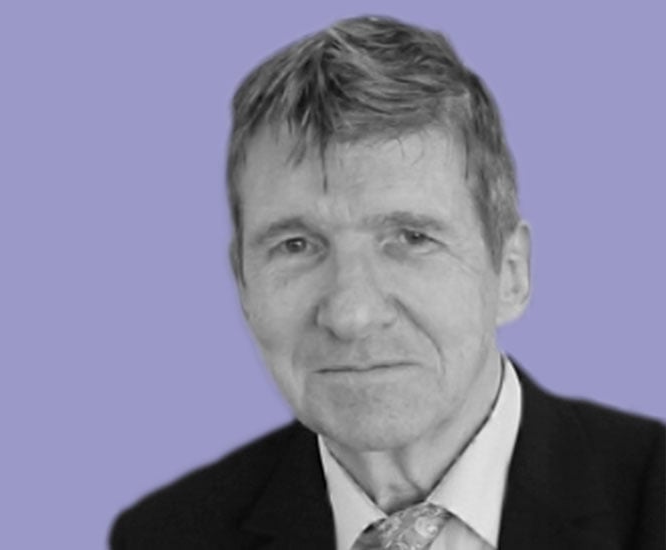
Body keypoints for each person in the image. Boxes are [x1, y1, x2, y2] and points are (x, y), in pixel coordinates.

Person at [109, 15, 664, 550]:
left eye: (411, 238)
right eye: (296, 245)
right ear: (243, 284)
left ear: (511, 274)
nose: (351, 315)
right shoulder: (166, 536)